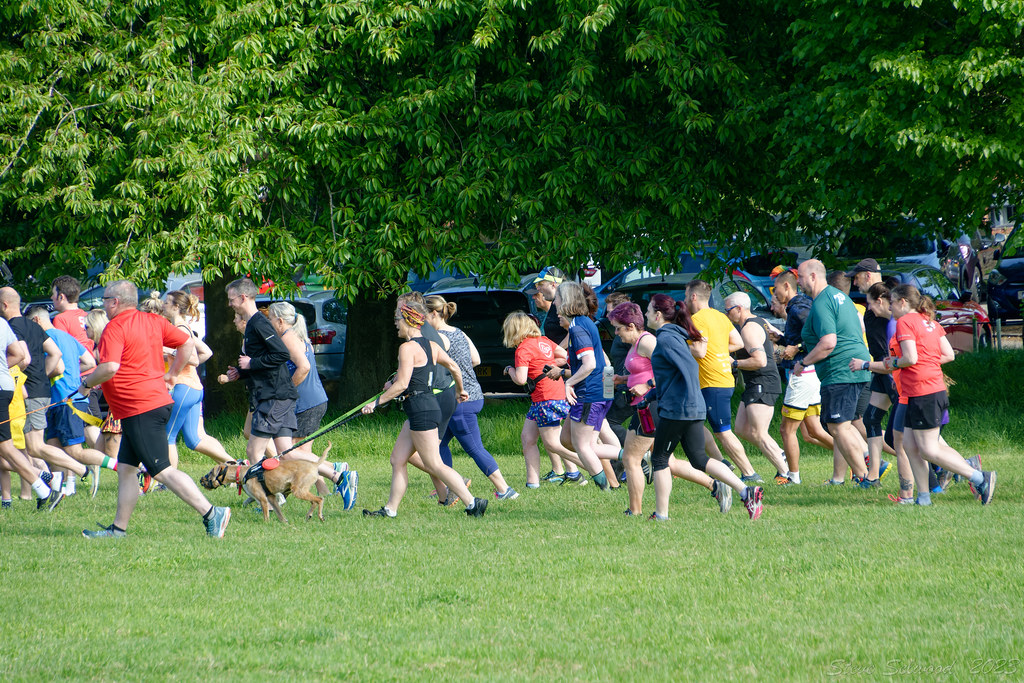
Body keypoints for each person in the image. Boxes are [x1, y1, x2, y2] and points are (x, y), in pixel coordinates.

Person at [79, 280, 230, 538]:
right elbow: (188, 344)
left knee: (161, 470)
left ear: (115, 302)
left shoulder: (114, 327)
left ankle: (212, 513)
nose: (102, 304)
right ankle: (118, 530)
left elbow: (110, 367)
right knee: (126, 469)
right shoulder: (153, 321)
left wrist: (86, 384)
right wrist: (171, 374)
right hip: (145, 406)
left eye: (104, 299)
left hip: (140, 408)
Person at [856, 285, 995, 505]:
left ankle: (979, 477)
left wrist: (892, 362)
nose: (890, 307)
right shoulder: (929, 321)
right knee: (909, 446)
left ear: (903, 302)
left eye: (892, 302)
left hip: (923, 392)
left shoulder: (905, 322)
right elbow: (948, 355)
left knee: (928, 449)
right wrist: (925, 363)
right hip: (923, 391)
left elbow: (909, 358)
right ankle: (922, 498)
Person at [360, 302, 486, 518]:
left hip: (421, 410)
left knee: (434, 463)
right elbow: (455, 367)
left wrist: (376, 402)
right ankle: (390, 510)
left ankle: (473, 503)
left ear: (408, 321)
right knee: (398, 459)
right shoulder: (431, 345)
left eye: (397, 321)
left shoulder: (407, 348)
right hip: (422, 408)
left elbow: (401, 384)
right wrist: (459, 390)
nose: (396, 326)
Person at [645, 295, 762, 521]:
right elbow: (675, 374)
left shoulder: (667, 338)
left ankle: (661, 515)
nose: (646, 314)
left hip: (679, 408)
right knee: (699, 458)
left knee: (659, 459)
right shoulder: (675, 336)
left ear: (658, 315)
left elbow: (688, 368)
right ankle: (746, 491)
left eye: (649, 310)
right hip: (689, 405)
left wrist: (687, 399)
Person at [609, 300, 728, 516]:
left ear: (631, 326)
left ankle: (634, 511)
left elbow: (666, 371)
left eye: (618, 328)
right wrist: (622, 379)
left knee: (631, 459)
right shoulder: (637, 345)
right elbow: (645, 371)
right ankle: (715, 486)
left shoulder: (648, 342)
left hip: (652, 405)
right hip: (646, 404)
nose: (616, 333)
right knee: (667, 462)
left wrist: (647, 385)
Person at [0, 287, 87, 507]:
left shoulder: (11, 327)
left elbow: (24, 359)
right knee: (24, 447)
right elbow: (55, 354)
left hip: (26, 391)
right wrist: (44, 376)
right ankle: (47, 481)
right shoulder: (34, 326)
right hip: (40, 390)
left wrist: (21, 379)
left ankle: (72, 471)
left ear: (4, 305)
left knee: (33, 447)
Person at [425, 295, 517, 500]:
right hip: (470, 394)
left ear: (433, 313)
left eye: (423, 316)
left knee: (474, 447)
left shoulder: (438, 337)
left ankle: (505, 490)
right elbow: (476, 359)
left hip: (460, 399)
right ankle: (451, 486)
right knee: (437, 445)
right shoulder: (459, 332)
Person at [266, 301, 357, 507]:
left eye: (270, 319)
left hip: (305, 402)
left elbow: (304, 367)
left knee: (289, 454)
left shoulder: (289, 338)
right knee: (302, 454)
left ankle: (337, 472)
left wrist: (285, 390)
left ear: (280, 320)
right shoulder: (297, 336)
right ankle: (322, 488)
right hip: (313, 400)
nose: (269, 322)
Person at [793, 260, 872, 485]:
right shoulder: (841, 297)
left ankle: (865, 476)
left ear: (813, 277)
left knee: (838, 426)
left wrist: (804, 362)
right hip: (856, 366)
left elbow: (828, 342)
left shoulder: (822, 302)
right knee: (844, 425)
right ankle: (868, 467)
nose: (798, 281)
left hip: (841, 370)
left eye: (800, 277)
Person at [25, 306, 114, 494]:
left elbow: (58, 367)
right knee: (53, 447)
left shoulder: (45, 339)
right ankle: (62, 489)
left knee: (75, 451)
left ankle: (121, 466)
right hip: (71, 398)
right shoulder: (68, 337)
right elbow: (90, 362)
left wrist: (39, 380)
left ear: (36, 322)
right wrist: (73, 376)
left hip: (65, 400)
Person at [683, 279, 758, 481]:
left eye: (685, 295)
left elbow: (699, 351)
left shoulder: (697, 319)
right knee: (695, 424)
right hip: (721, 378)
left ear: (693, 296)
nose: (684, 299)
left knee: (723, 432)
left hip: (712, 382)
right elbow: (738, 342)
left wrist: (676, 347)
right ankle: (721, 463)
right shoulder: (720, 317)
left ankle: (750, 474)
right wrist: (717, 351)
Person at [501, 311, 581, 488]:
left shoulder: (522, 349)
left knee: (553, 443)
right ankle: (533, 482)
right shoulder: (544, 341)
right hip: (550, 394)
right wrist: (549, 365)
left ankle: (590, 466)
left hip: (545, 398)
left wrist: (509, 370)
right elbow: (563, 356)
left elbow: (521, 379)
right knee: (527, 438)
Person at [224, 278, 298, 463]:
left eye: (231, 299)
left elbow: (281, 354)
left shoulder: (259, 323)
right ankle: (337, 474)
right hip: (276, 395)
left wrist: (252, 363)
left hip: (274, 396)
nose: (229, 303)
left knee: (253, 452)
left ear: (243, 297)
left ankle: (262, 492)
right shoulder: (251, 325)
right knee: (286, 454)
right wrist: (241, 373)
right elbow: (260, 362)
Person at [552, 281, 617, 490]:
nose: (555, 303)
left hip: (589, 393)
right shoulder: (580, 323)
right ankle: (633, 456)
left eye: (558, 298)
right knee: (567, 440)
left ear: (566, 301)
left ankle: (606, 488)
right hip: (596, 392)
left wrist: (567, 382)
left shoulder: (578, 327)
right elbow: (602, 363)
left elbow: (590, 364)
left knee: (582, 446)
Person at [772, 269, 832, 485]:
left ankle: (793, 477)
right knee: (813, 431)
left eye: (776, 288)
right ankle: (857, 457)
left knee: (786, 429)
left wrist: (796, 347)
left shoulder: (799, 307)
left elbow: (820, 336)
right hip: (809, 374)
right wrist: (781, 338)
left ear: (787, 287)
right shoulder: (796, 307)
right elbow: (802, 337)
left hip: (803, 373)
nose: (774, 293)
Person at [723, 292, 790, 483]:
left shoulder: (748, 329)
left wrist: (734, 364)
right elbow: (780, 337)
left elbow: (759, 361)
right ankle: (779, 453)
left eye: (728, 311)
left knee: (759, 433)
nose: (727, 315)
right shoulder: (759, 321)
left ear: (739, 309)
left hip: (763, 382)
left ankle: (786, 474)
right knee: (742, 428)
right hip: (756, 383)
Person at [161, 291, 233, 466]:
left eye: (166, 303)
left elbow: (192, 357)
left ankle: (169, 481)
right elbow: (206, 352)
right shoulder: (185, 328)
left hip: (183, 388)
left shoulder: (178, 330)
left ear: (176, 307)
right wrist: (178, 361)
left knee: (167, 436)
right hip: (194, 388)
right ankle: (235, 464)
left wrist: (169, 353)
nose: (163, 305)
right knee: (195, 439)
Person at [0, 315, 56, 508]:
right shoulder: (3, 324)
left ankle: (43, 484)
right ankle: (41, 482)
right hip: (7, 389)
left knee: (11, 448)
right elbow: (20, 355)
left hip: (6, 393)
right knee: (6, 448)